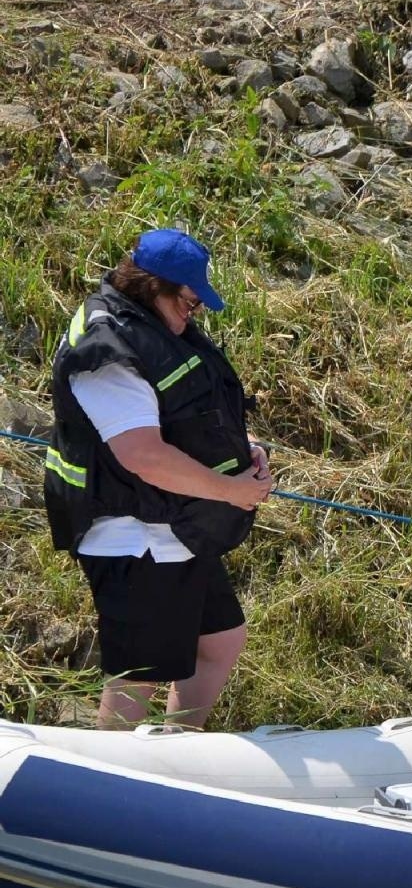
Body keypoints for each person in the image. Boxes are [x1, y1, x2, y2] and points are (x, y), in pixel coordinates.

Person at [44, 228, 274, 729]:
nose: (195, 312)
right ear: (153, 286)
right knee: (138, 675)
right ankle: (113, 786)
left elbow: (182, 416)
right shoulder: (108, 348)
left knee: (220, 639)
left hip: (177, 528)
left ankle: (176, 749)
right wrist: (233, 491)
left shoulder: (151, 324)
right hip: (134, 538)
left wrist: (242, 452)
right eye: (190, 301)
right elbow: (143, 455)